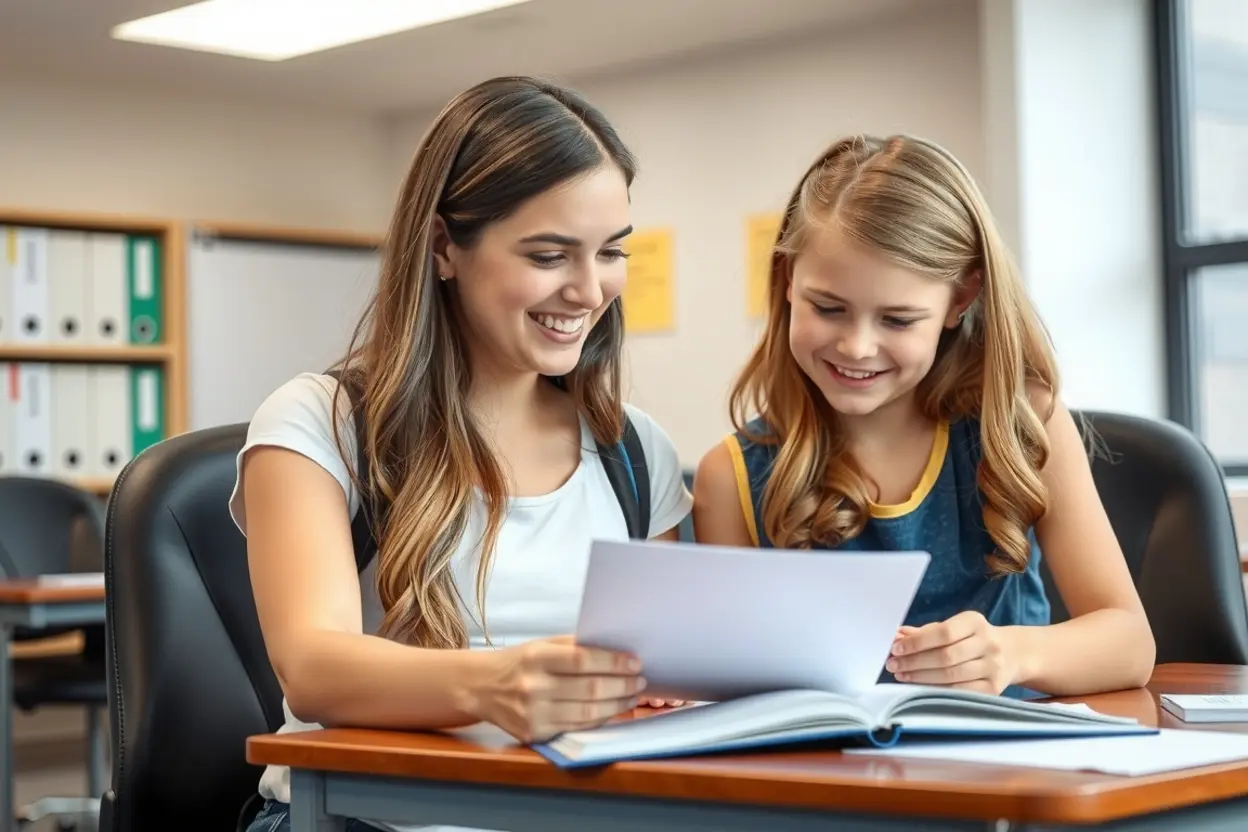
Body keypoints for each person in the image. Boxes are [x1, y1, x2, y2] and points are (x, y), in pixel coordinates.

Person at [232, 76, 691, 832]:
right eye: (549, 254)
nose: (588, 289)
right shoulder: (321, 423)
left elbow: (666, 672)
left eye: (611, 252)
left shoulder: (633, 449)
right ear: (445, 246)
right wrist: (495, 683)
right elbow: (313, 669)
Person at [694, 134, 1155, 699]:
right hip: (827, 777)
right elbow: (733, 683)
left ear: (960, 301)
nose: (858, 347)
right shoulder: (730, 477)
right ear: (789, 280)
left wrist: (1012, 653)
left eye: (898, 319)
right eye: (828, 308)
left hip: (1011, 769)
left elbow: (1131, 642)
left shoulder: (1020, 424)